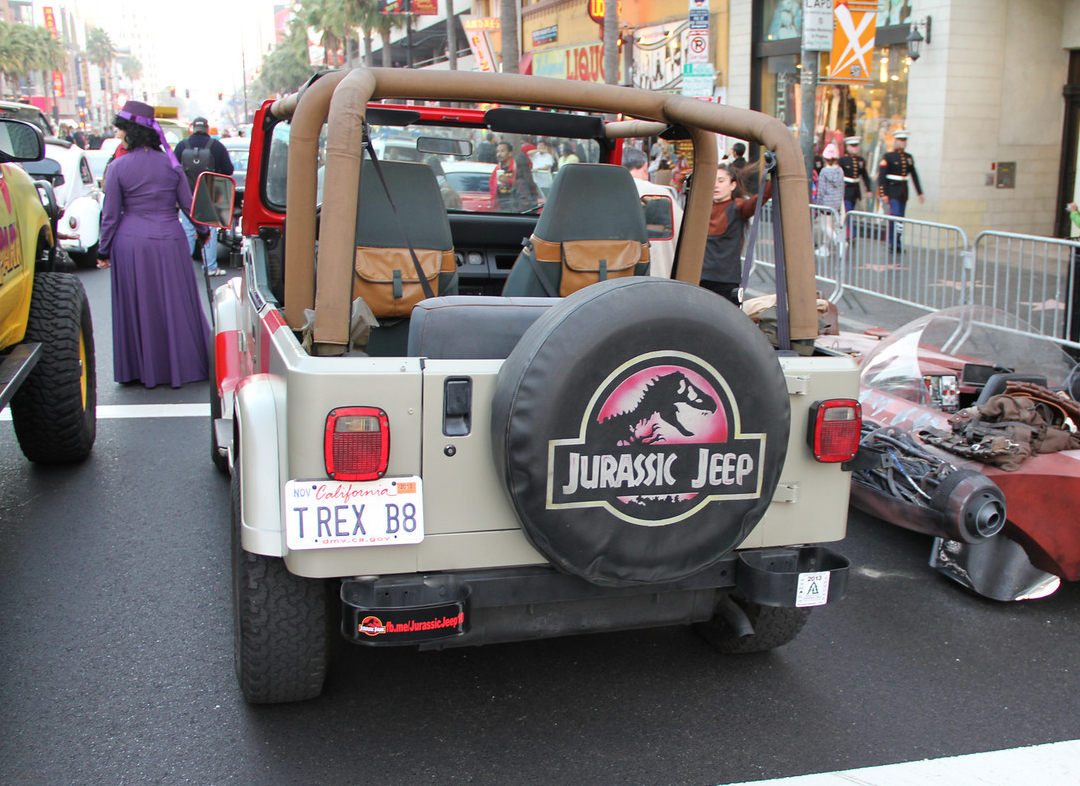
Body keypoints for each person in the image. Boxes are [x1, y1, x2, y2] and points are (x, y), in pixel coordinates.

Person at [95, 100, 211, 389]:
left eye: (121, 129)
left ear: (131, 132)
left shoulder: (118, 167)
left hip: (131, 242)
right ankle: (182, 365)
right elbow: (189, 205)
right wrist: (203, 230)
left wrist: (103, 250)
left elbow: (110, 215)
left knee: (138, 305)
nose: (119, 134)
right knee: (175, 303)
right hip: (170, 239)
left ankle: (140, 368)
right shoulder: (171, 165)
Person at [702, 163, 771, 306]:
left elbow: (760, 198)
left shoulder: (738, 206)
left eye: (721, 181)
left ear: (733, 185)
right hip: (700, 277)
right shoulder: (701, 206)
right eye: (712, 180)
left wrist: (774, 173)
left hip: (726, 279)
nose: (716, 185)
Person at [174, 117, 234, 276]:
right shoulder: (217, 146)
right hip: (211, 192)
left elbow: (172, 170)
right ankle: (210, 267)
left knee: (187, 230)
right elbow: (228, 170)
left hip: (187, 194)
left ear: (192, 129)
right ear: (207, 129)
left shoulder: (181, 146)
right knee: (210, 229)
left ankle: (183, 268)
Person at [622, 146, 683, 278]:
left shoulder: (607, 192)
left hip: (616, 278)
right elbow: (684, 234)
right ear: (645, 167)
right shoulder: (659, 193)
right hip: (658, 276)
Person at [877, 130, 924, 253]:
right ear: (896, 141)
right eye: (901, 140)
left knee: (900, 219)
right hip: (892, 191)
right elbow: (882, 176)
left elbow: (914, 174)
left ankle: (897, 241)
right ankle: (892, 242)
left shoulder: (908, 157)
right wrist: (883, 193)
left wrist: (919, 192)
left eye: (905, 140)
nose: (903, 143)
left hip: (903, 191)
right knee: (896, 215)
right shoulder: (888, 156)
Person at [839, 135, 872, 215]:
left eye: (856, 146)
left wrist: (869, 189)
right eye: (853, 146)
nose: (855, 148)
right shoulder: (843, 160)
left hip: (856, 190)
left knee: (854, 211)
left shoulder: (860, 160)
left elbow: (865, 176)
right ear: (848, 147)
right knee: (848, 211)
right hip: (846, 189)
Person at [489, 141, 516, 210]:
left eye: (502, 151)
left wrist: (509, 180)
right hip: (500, 207)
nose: (499, 154)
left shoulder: (516, 167)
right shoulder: (497, 169)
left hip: (515, 207)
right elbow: (492, 187)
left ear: (510, 153)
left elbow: (524, 184)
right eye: (497, 151)